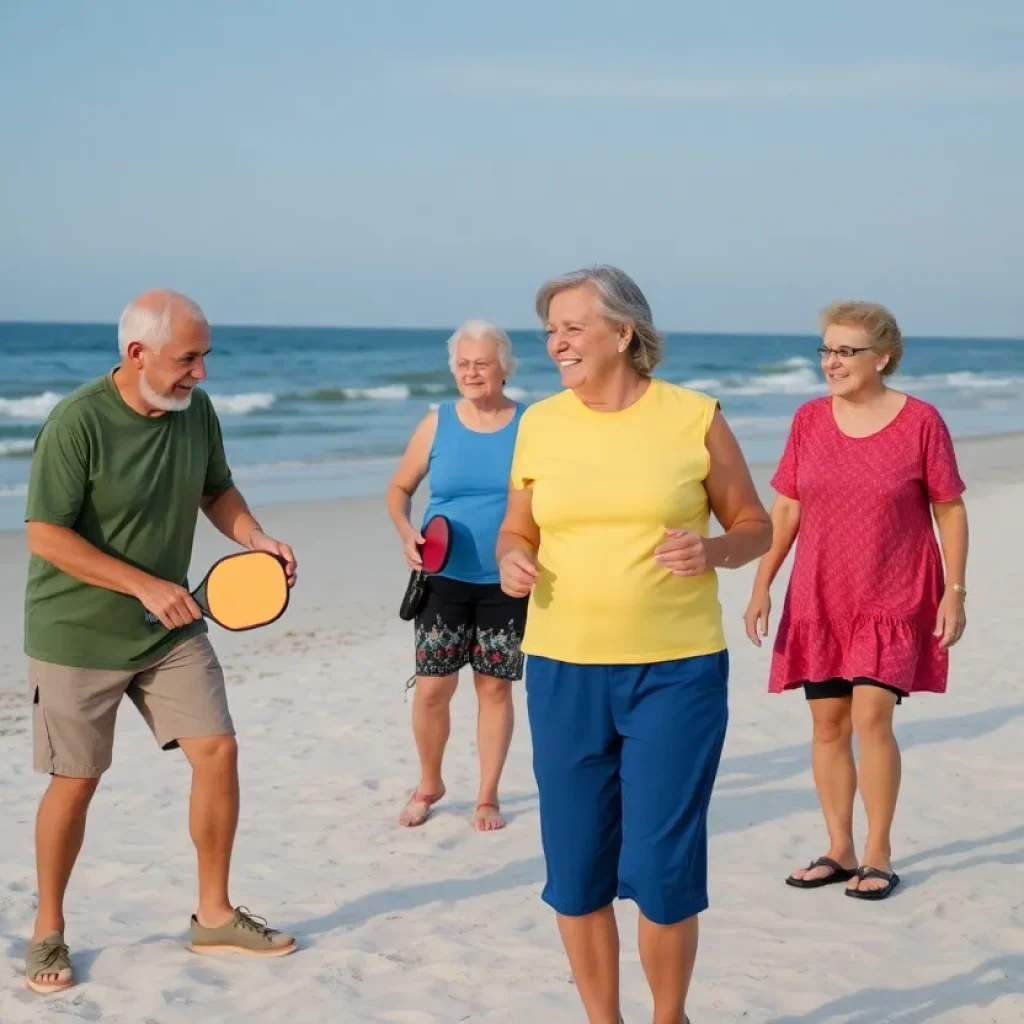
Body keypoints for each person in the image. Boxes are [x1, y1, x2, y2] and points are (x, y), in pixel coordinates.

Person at [497, 266, 772, 1024]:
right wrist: (510, 557)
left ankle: (667, 1016)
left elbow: (756, 524)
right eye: (550, 329)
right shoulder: (541, 423)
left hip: (676, 673)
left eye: (572, 327)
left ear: (624, 333)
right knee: (577, 867)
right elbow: (519, 526)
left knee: (661, 866)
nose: (556, 343)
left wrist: (712, 552)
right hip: (561, 669)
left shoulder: (694, 417)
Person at [22, 289, 299, 995]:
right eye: (187, 359)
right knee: (77, 781)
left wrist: (255, 536)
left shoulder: (194, 413)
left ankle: (213, 913)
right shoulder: (76, 422)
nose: (200, 374)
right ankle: (47, 927)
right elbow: (45, 534)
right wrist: (142, 584)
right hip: (76, 632)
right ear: (136, 354)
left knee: (219, 749)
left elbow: (218, 490)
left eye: (205, 357)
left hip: (171, 627)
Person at [743, 300, 969, 901]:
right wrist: (764, 582)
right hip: (821, 592)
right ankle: (839, 848)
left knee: (871, 717)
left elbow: (948, 507)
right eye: (826, 350)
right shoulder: (809, 420)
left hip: (894, 589)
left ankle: (879, 852)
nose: (832, 362)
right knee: (826, 723)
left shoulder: (921, 421)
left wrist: (954, 590)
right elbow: (787, 506)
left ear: (884, 358)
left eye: (846, 351)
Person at [386, 320, 528, 832]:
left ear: (504, 368)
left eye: (482, 363)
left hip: (507, 579)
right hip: (441, 576)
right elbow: (399, 488)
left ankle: (487, 796)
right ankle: (430, 783)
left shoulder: (532, 424)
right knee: (431, 688)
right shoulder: (436, 422)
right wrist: (406, 532)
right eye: (463, 364)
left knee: (493, 689)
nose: (471, 372)